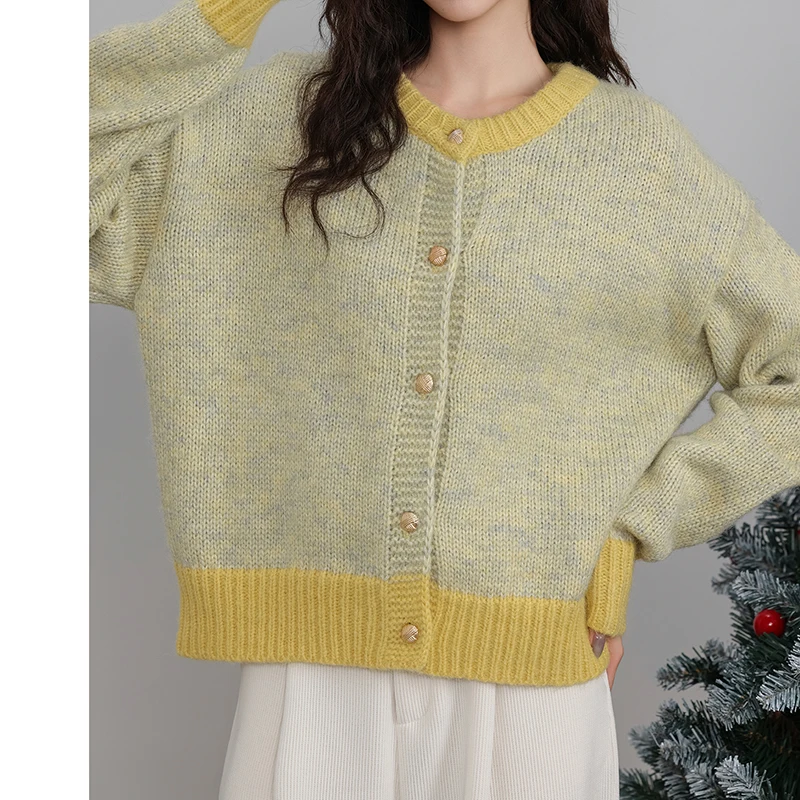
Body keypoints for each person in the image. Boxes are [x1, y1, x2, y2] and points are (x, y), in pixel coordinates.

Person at [89, 0, 800, 798]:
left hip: (532, 683)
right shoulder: (277, 122)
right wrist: (220, 19)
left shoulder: (641, 162)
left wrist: (633, 528)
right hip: (310, 684)